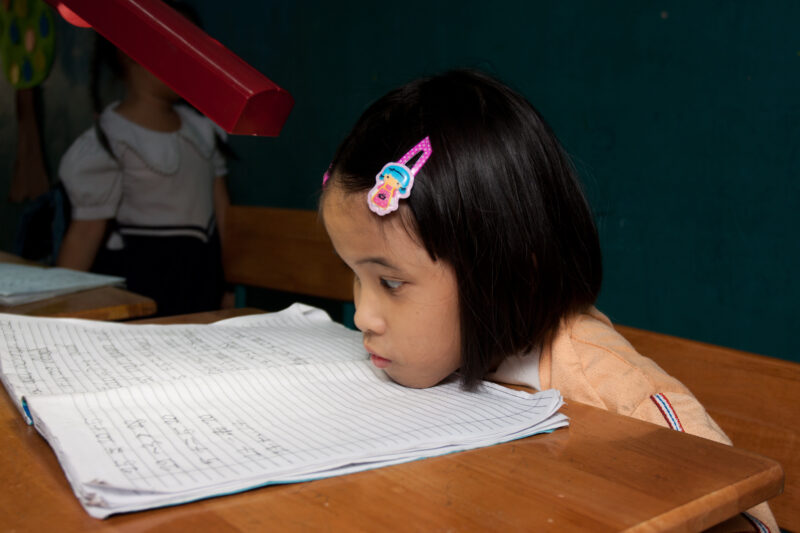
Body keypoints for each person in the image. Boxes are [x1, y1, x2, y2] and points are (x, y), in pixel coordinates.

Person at [319, 69, 777, 532]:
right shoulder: (433, 358)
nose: (362, 316)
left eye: (391, 283)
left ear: (508, 272)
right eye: (353, 276)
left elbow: (741, 513)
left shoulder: (616, 395)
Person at [56, 1, 231, 317]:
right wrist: (57, 312)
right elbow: (85, 234)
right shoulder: (112, 141)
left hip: (201, 288)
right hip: (144, 295)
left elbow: (223, 214)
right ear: (131, 53)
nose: (191, 62)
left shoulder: (203, 131)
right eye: (179, 48)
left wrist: (230, 285)